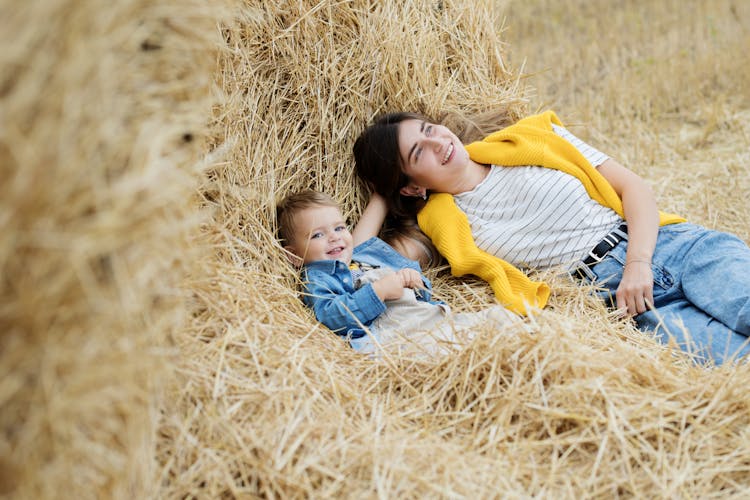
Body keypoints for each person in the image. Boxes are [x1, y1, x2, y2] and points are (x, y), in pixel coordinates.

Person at [353, 109, 750, 365]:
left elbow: (635, 189)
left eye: (429, 129)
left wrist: (639, 262)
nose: (439, 142)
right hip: (620, 297)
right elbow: (358, 261)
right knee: (734, 361)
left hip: (667, 244)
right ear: (410, 186)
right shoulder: (440, 221)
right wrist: (382, 196)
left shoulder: (529, 137)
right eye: (418, 152)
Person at [276, 189, 516, 357]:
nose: (334, 237)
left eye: (339, 227)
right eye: (318, 234)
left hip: (428, 317)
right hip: (401, 336)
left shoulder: (361, 258)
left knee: (500, 319)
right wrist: (377, 292)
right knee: (448, 348)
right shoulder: (319, 277)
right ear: (294, 256)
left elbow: (421, 293)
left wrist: (414, 281)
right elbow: (330, 315)